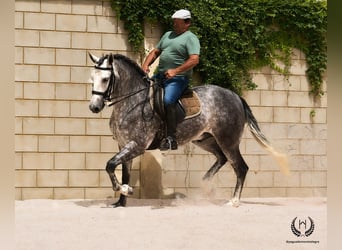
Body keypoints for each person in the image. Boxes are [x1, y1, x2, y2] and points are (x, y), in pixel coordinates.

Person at [142, 9, 200, 150]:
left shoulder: (191, 38)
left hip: (179, 79)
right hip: (160, 75)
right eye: (174, 21)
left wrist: (175, 71)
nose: (174, 24)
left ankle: (171, 138)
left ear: (187, 23)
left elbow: (194, 60)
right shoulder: (168, 35)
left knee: (168, 101)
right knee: (142, 93)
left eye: (177, 22)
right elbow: (156, 52)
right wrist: (145, 65)